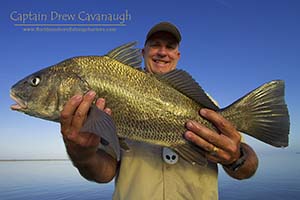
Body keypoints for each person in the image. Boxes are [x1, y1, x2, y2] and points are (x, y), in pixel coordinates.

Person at [60, 22, 259, 199]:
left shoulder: (208, 105)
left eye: (170, 47)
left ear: (177, 55)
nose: (162, 52)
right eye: (155, 45)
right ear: (143, 53)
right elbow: (104, 173)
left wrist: (236, 157)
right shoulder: (105, 99)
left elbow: (246, 169)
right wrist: (82, 154)